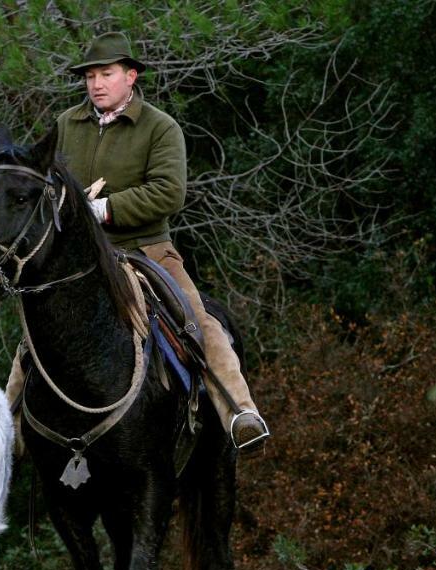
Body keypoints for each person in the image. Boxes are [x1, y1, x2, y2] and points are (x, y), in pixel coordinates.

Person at [14, 31, 270, 453]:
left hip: (147, 248)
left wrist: (105, 209)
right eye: (90, 76)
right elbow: (50, 186)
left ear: (130, 76)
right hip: (82, 257)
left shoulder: (159, 127)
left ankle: (241, 413)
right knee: (36, 332)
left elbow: (170, 191)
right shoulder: (66, 125)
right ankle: (9, 424)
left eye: (107, 74)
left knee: (196, 321)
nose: (96, 84)